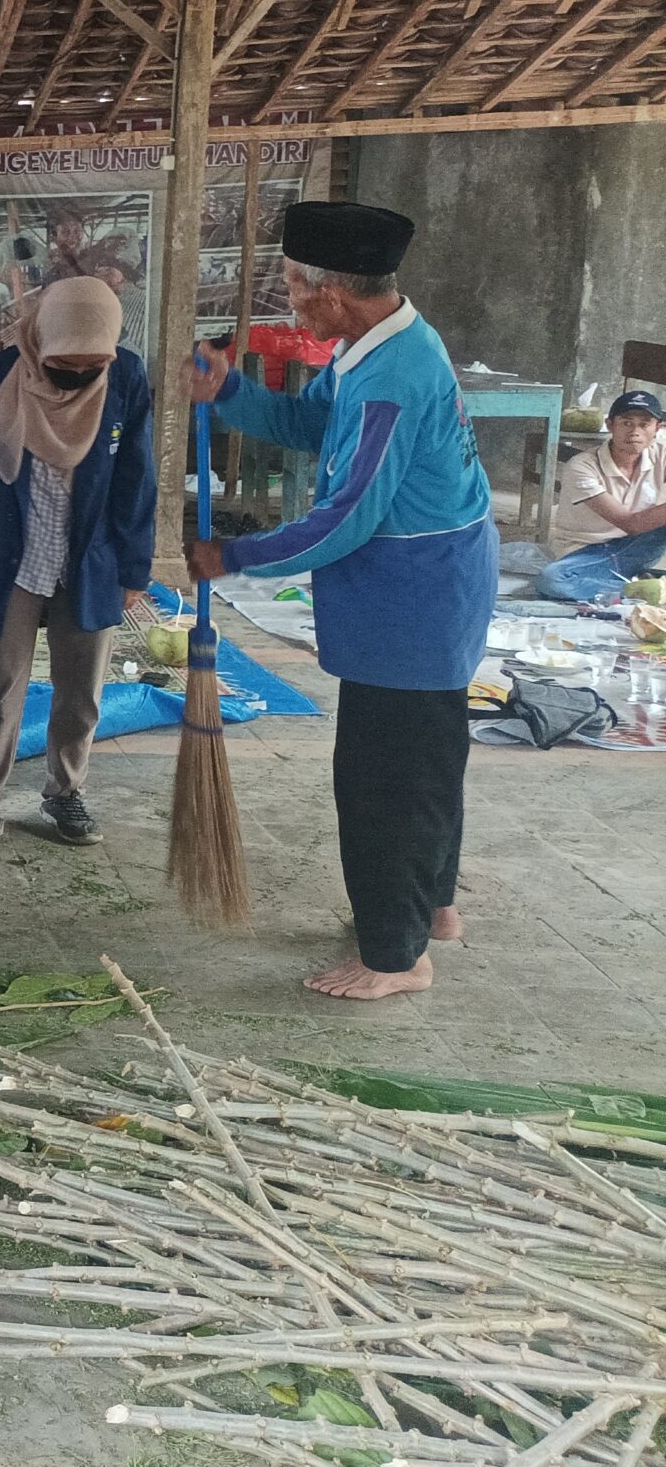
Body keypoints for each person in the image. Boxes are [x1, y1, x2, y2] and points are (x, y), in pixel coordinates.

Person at [188, 201, 495, 1002]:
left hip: (414, 595)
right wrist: (231, 394)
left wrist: (235, 554)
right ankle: (431, 908)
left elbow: (346, 519)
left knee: (385, 776)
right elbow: (312, 421)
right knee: (426, 757)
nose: (287, 299)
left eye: (292, 285)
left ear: (332, 293)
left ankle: (396, 957)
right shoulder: (371, 343)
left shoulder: (394, 375)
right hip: (423, 585)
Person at [0, 277, 156, 864]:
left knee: (82, 689)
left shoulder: (127, 380)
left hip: (90, 560)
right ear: (41, 340)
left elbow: (137, 477)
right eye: (65, 364)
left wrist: (134, 567)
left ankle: (66, 792)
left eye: (94, 364)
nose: (79, 376)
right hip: (7, 561)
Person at [535, 389, 666, 602]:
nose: (635, 431)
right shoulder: (582, 466)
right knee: (551, 580)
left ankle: (642, 584)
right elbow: (629, 523)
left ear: (657, 429)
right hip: (587, 552)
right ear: (610, 425)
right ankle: (636, 590)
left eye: (644, 424)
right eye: (626, 422)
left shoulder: (661, 451)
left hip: (639, 545)